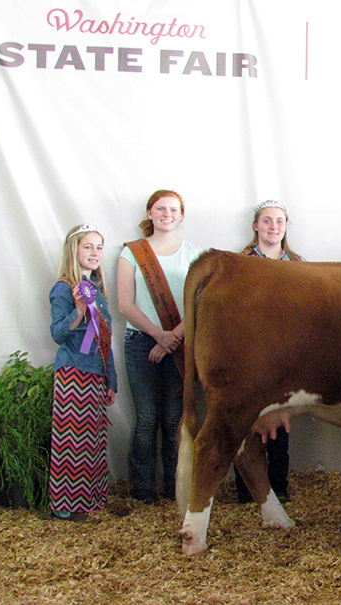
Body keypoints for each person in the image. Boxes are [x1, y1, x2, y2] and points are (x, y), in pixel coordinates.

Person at [117, 190, 204, 504]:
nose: (167, 214)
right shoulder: (131, 253)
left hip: (181, 343)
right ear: (150, 213)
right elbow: (125, 305)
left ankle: (173, 486)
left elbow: (199, 302)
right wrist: (158, 335)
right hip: (141, 342)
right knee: (146, 418)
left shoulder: (196, 255)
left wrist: (172, 339)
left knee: (173, 419)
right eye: (161, 208)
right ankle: (142, 489)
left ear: (181, 216)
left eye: (174, 209)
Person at [234, 199, 305, 504]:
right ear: (255, 226)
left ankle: (278, 486)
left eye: (279, 221)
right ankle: (247, 489)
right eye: (267, 221)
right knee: (246, 420)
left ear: (286, 227)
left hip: (283, 353)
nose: (273, 227)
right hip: (249, 349)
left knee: (280, 419)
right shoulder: (239, 262)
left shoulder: (297, 264)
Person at [49, 224, 117, 522]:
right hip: (73, 372)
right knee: (70, 440)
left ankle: (90, 501)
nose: (95, 253)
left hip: (96, 374)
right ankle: (66, 506)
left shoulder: (99, 292)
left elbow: (105, 338)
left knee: (92, 440)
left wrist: (111, 380)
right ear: (73, 250)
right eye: (88, 246)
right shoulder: (64, 288)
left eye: (99, 247)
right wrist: (77, 311)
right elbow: (57, 333)